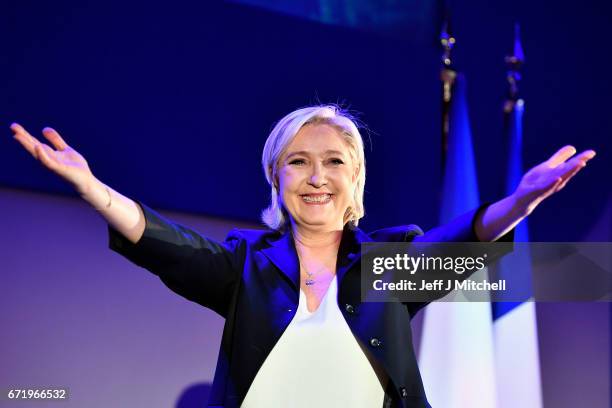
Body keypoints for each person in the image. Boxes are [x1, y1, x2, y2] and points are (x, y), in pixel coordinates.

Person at [10, 105, 595, 407]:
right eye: (297, 161)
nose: (317, 177)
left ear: (356, 181)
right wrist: (94, 190)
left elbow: (464, 238)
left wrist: (522, 199)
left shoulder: (385, 268)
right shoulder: (244, 268)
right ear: (276, 179)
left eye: (335, 161)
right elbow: (165, 244)